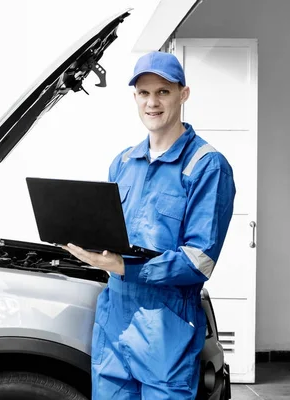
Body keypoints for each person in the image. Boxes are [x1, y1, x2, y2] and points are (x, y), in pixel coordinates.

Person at [63, 51, 236, 399]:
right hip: (115, 330)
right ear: (135, 98)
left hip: (165, 336)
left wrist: (123, 267)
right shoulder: (124, 163)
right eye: (144, 93)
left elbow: (199, 260)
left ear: (183, 94)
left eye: (163, 92)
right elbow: (113, 235)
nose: (152, 103)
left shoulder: (207, 166)